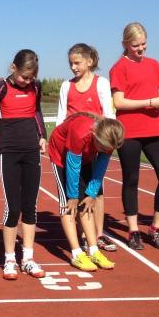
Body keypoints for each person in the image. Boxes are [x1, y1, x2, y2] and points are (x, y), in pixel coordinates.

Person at [109, 22, 159, 251]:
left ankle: (157, 227)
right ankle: (133, 230)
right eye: (135, 45)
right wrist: (149, 102)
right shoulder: (119, 68)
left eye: (144, 44)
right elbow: (119, 102)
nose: (141, 49)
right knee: (131, 180)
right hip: (129, 132)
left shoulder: (153, 64)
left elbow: (158, 92)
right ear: (125, 44)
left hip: (154, 130)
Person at [0, 49, 47, 280]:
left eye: (31, 77)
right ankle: (9, 258)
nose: (27, 81)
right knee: (13, 207)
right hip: (9, 152)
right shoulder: (0, 87)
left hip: (31, 151)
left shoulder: (35, 86)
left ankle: (28, 258)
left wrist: (42, 135)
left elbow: (37, 111)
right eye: (23, 76)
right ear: (13, 68)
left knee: (30, 206)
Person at [56, 43, 116, 252]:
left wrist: (107, 138)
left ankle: (98, 234)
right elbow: (61, 117)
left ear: (89, 62)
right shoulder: (67, 86)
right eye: (71, 63)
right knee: (75, 189)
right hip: (73, 145)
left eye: (77, 63)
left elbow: (108, 114)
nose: (73, 67)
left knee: (96, 191)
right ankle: (83, 235)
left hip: (95, 145)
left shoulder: (101, 83)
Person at [49, 112, 124, 270]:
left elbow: (100, 167)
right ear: (95, 135)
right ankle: (76, 253)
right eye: (102, 148)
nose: (105, 151)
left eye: (108, 149)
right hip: (61, 155)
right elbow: (72, 166)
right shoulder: (81, 133)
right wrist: (72, 196)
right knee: (69, 205)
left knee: (87, 203)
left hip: (85, 157)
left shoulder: (110, 140)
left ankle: (94, 250)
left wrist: (91, 193)